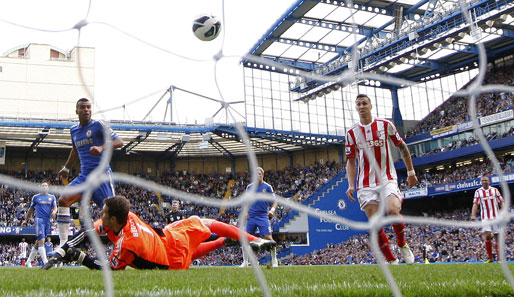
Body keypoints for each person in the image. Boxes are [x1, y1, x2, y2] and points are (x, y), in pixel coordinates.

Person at [43, 195, 276, 270]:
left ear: (113, 218)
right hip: (169, 237)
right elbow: (85, 233)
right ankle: (251, 240)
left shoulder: (128, 244)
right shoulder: (127, 216)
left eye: (103, 213)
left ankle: (233, 241)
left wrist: (80, 257)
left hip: (171, 258)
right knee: (208, 224)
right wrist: (62, 251)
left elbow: (108, 268)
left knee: (192, 253)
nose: (100, 216)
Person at [345, 94, 417, 265]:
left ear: (371, 106)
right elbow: (351, 161)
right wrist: (350, 184)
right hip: (365, 183)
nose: (361, 106)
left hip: (387, 178)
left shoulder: (385, 125)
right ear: (356, 108)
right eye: (358, 104)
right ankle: (391, 260)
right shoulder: (351, 133)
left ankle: (402, 244)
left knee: (392, 210)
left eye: (364, 103)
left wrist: (411, 172)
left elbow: (402, 146)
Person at [56, 98, 124, 247]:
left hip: (102, 176)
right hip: (85, 176)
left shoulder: (99, 125)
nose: (86, 110)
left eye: (88, 107)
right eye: (83, 107)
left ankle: (123, 245)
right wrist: (66, 168)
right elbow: (75, 149)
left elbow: (119, 142)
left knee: (113, 213)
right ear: (77, 111)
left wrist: (101, 147)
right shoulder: (73, 130)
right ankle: (63, 245)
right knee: (63, 200)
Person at [240, 167, 279, 268]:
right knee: (246, 239)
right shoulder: (249, 187)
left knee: (269, 238)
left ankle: (274, 260)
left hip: (262, 216)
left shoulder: (268, 187)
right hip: (251, 217)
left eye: (260, 174)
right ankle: (245, 262)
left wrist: (272, 210)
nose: (258, 176)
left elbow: (275, 202)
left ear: (263, 175)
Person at [21, 182, 57, 267]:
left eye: (46, 185)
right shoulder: (36, 197)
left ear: (48, 187)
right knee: (42, 240)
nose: (44, 187)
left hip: (47, 221)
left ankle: (28, 262)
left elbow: (55, 207)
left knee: (38, 242)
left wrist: (55, 211)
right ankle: (45, 262)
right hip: (39, 220)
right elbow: (30, 209)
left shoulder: (52, 197)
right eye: (43, 186)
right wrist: (25, 220)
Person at [471, 175, 504, 263]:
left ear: (489, 181)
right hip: (485, 217)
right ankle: (490, 257)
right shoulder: (478, 192)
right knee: (488, 235)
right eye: (483, 181)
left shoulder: (495, 190)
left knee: (497, 236)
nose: (484, 182)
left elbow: (501, 201)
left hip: (496, 217)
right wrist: (473, 215)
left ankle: (499, 258)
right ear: (481, 182)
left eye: (486, 180)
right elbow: (475, 204)